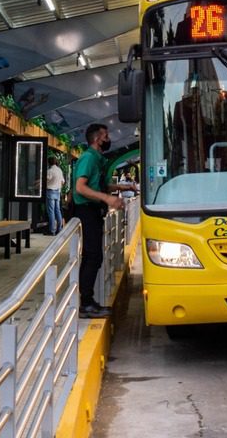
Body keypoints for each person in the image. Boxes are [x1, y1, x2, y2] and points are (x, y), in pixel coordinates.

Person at [72, 123, 133, 318]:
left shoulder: (97, 159)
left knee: (94, 256)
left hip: (93, 211)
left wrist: (120, 189)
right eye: (106, 136)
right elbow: (80, 187)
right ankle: (85, 303)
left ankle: (87, 301)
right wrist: (107, 199)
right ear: (98, 139)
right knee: (93, 256)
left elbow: (97, 184)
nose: (109, 139)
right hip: (86, 211)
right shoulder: (88, 158)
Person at [45, 156, 65, 235]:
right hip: (57, 192)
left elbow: (46, 179)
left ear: (49, 163)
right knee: (58, 211)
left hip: (50, 191)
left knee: (51, 211)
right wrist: (58, 186)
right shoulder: (59, 170)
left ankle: (52, 230)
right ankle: (59, 229)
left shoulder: (50, 171)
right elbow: (63, 182)